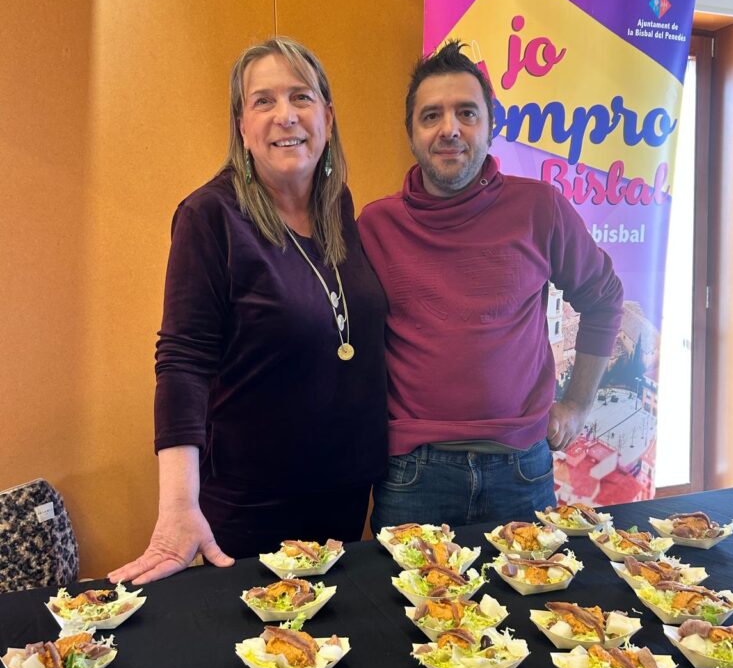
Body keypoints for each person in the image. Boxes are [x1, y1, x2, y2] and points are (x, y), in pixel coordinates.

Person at [109, 38, 387, 583]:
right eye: (264, 101)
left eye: (301, 97)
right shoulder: (210, 216)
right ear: (242, 126)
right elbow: (183, 362)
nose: (286, 115)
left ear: (328, 117)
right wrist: (177, 505)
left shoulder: (339, 206)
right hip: (252, 502)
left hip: (347, 491)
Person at [357, 41, 624, 532]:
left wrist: (578, 405)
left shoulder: (540, 208)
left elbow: (603, 298)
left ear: (490, 127)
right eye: (431, 115)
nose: (450, 129)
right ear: (411, 133)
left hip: (521, 469)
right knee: (405, 589)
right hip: (413, 473)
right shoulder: (375, 225)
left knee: (534, 587)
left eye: (467, 113)